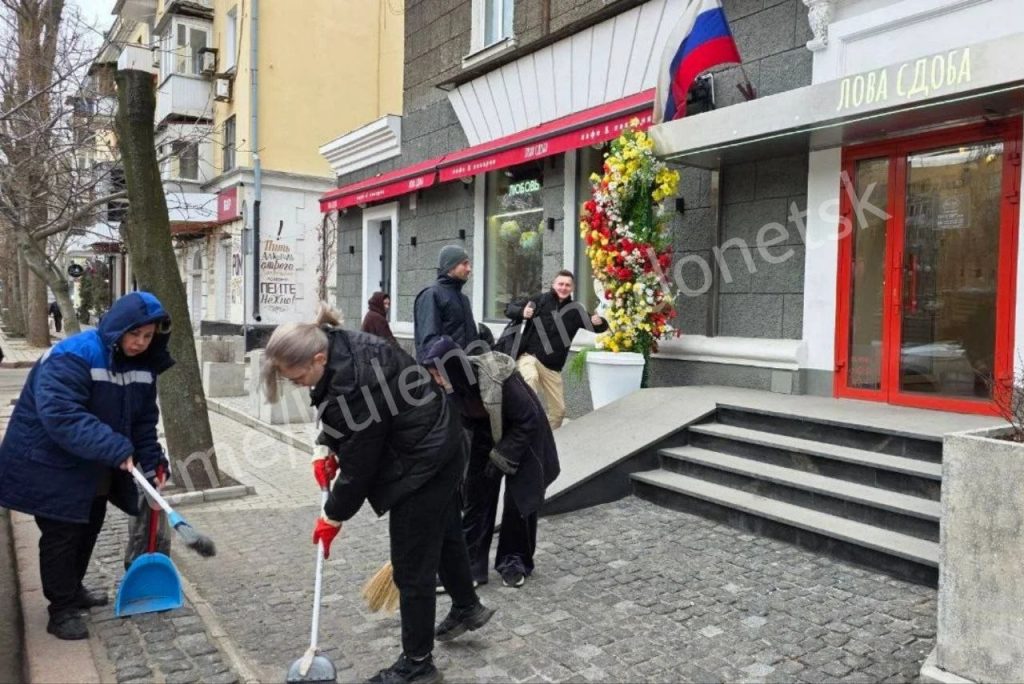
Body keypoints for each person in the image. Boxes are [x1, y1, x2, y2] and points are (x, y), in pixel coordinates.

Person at [261, 304, 495, 684]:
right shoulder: (340, 344)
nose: (299, 383)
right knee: (447, 529)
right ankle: (467, 606)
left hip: (423, 460)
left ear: (318, 358)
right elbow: (352, 419)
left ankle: (418, 663)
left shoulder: (354, 379)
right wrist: (326, 446)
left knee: (412, 567)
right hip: (443, 441)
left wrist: (331, 516)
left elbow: (360, 467)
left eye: (298, 375)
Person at [0, 292, 172, 640]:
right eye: (134, 334)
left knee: (89, 525)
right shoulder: (73, 355)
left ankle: (73, 588)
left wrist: (153, 466)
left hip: (96, 465)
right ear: (118, 328)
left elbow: (142, 422)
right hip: (51, 463)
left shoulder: (143, 366)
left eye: (148, 336)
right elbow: (61, 415)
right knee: (62, 535)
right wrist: (114, 447)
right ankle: (60, 609)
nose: (140, 343)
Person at [424, 336, 559, 589]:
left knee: (518, 502)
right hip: (484, 433)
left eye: (439, 374)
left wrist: (502, 456)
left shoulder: (498, 376)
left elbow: (528, 419)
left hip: (524, 433)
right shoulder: (450, 388)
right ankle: (470, 568)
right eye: (433, 375)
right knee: (475, 497)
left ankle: (514, 561)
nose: (437, 381)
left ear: (454, 368)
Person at [504, 270, 608, 429]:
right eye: (560, 284)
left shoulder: (575, 310)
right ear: (554, 284)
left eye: (567, 285)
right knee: (530, 378)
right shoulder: (540, 300)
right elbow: (509, 308)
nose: (563, 287)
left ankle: (546, 442)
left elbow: (597, 328)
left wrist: (599, 322)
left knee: (559, 412)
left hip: (552, 367)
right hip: (530, 357)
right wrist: (522, 312)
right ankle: (525, 424)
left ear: (572, 288)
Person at [413, 245, 481, 362]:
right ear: (450, 267)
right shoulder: (431, 295)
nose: (469, 269)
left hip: (465, 372)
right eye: (464, 264)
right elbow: (429, 340)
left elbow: (470, 338)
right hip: (441, 374)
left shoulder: (463, 299)